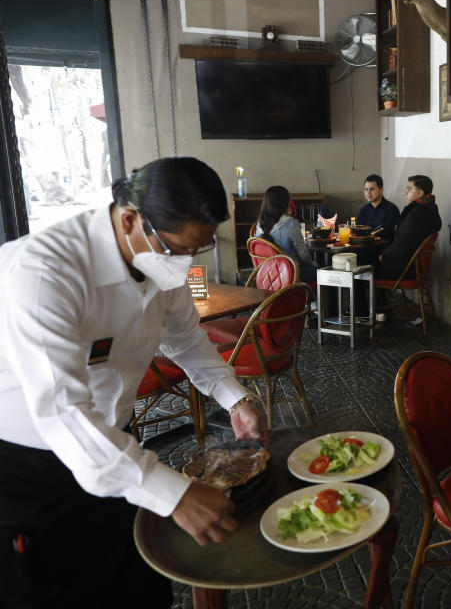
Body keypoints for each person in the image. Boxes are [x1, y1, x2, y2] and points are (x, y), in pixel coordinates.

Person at [0, 157, 268, 609]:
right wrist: (174, 492)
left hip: (117, 442)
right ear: (129, 219)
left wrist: (234, 397)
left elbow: (185, 339)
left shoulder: (160, 260)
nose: (184, 265)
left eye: (195, 252)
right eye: (178, 249)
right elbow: (63, 413)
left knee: (134, 579)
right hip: (27, 465)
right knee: (51, 589)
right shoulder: (45, 273)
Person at [377, 174, 441, 280]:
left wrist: (384, 256)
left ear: (420, 193)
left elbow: (401, 245)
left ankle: (373, 297)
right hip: (414, 267)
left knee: (364, 267)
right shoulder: (430, 209)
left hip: (405, 268)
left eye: (410, 189)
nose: (406, 192)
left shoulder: (416, 214)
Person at [254, 185, 317, 283]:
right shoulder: (291, 223)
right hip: (291, 274)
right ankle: (314, 298)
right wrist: (312, 263)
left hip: (266, 276)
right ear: (285, 203)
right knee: (323, 271)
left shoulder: (259, 225)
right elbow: (303, 254)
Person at [356, 174, 400, 241]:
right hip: (364, 245)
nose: (368, 193)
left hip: (383, 247)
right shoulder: (364, 210)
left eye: (372, 189)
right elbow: (358, 231)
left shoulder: (392, 209)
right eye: (366, 189)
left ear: (381, 190)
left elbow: (387, 233)